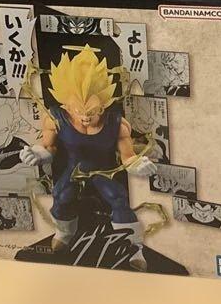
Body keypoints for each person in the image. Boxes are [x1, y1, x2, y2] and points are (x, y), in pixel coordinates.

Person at [20, 47, 156, 266]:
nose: (85, 117)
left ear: (103, 105)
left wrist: (138, 164)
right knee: (62, 195)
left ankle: (133, 248)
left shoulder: (117, 124)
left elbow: (128, 156)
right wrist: (38, 154)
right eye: (78, 111)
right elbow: (49, 147)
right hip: (74, 168)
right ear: (66, 105)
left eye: (92, 112)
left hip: (104, 169)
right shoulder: (55, 119)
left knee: (117, 198)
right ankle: (65, 232)